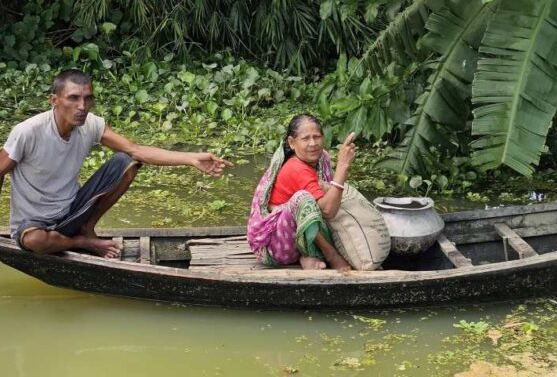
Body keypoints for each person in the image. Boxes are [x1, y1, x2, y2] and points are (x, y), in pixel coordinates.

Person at [0, 70, 230, 258]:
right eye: (73, 98)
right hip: (33, 224)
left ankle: (86, 228)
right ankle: (81, 241)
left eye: (88, 98)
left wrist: (191, 159)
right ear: (54, 100)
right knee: (35, 240)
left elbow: (136, 150)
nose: (82, 106)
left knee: (127, 161)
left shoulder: (90, 124)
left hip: (71, 211)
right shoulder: (28, 131)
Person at [247, 114, 353, 272]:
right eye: (305, 138)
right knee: (303, 200)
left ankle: (308, 255)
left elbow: (330, 200)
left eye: (317, 137)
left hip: (300, 233)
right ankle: (329, 254)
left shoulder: (321, 158)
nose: (313, 143)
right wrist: (342, 167)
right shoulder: (296, 168)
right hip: (278, 246)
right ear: (292, 143)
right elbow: (328, 211)